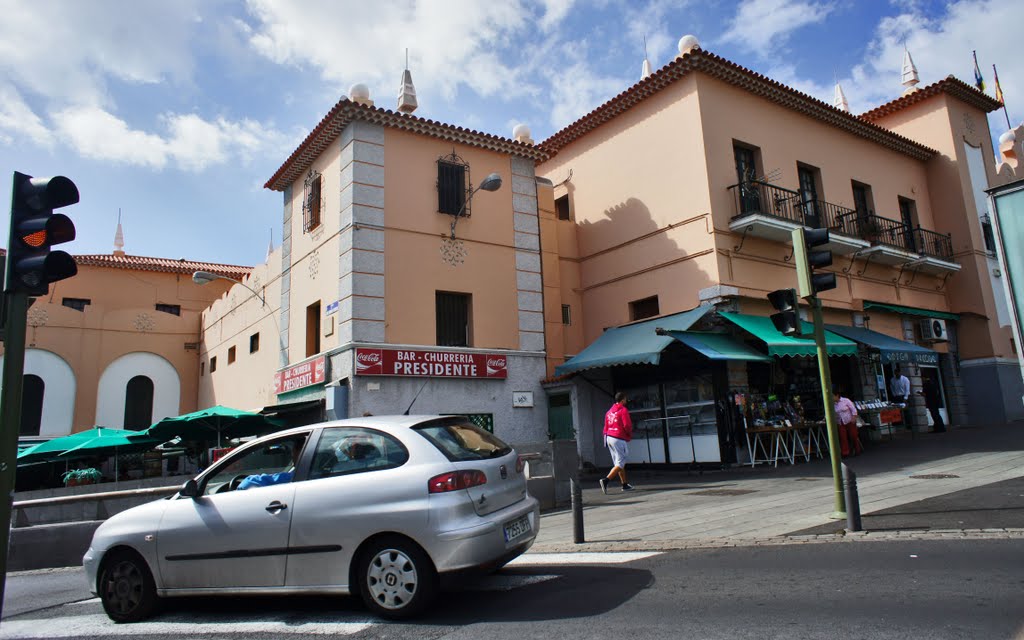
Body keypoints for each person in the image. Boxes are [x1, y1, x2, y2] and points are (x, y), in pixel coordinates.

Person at [600, 392, 634, 493]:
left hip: (609, 437)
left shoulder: (609, 412)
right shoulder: (623, 410)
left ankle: (624, 484)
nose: (626, 401)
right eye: (625, 399)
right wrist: (628, 435)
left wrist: (605, 440)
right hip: (618, 438)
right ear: (623, 399)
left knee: (618, 462)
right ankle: (605, 480)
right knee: (621, 461)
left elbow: (605, 427)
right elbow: (627, 425)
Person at [833, 386, 863, 457]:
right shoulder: (833, 404)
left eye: (833, 396)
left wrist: (854, 417)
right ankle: (845, 452)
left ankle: (857, 449)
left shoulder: (846, 400)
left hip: (849, 420)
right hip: (840, 422)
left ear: (837, 395)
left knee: (853, 435)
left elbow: (853, 409)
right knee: (843, 437)